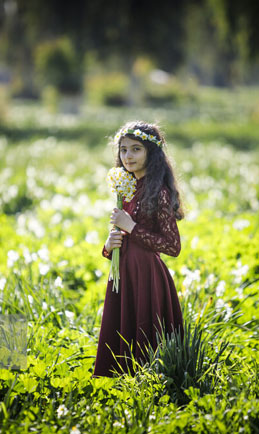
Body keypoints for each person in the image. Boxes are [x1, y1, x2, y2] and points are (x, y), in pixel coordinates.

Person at [93, 120, 184, 378]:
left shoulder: (160, 192)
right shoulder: (127, 189)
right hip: (123, 274)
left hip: (146, 276)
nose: (128, 156)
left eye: (136, 149)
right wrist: (109, 246)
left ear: (150, 153)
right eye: (123, 150)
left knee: (144, 332)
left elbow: (172, 246)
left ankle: (148, 380)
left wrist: (131, 227)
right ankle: (119, 380)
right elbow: (125, 234)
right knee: (120, 326)